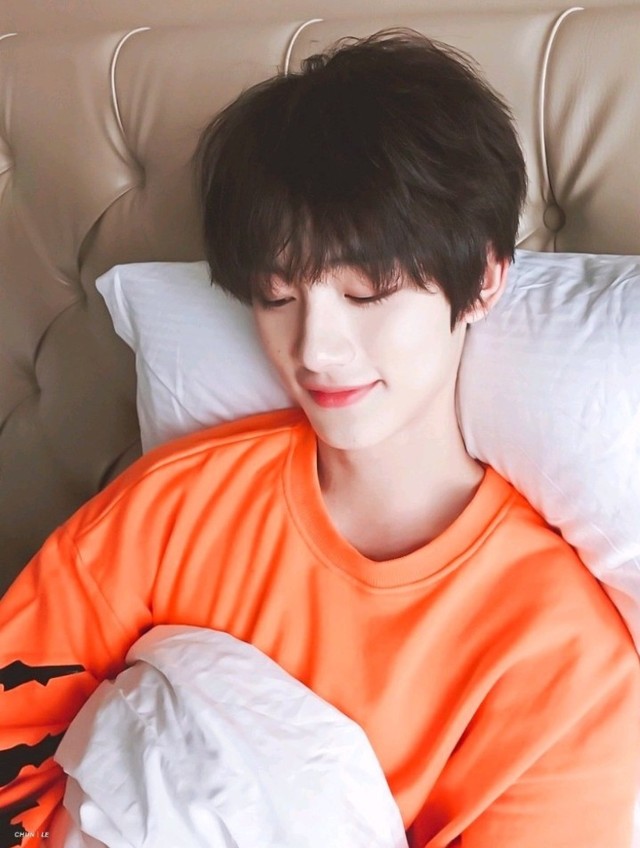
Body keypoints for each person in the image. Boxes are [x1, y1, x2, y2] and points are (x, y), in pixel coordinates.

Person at [1, 28, 639, 848]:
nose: (315, 349)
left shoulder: (559, 652)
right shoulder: (169, 509)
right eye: (278, 296)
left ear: (483, 279)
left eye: (366, 292)